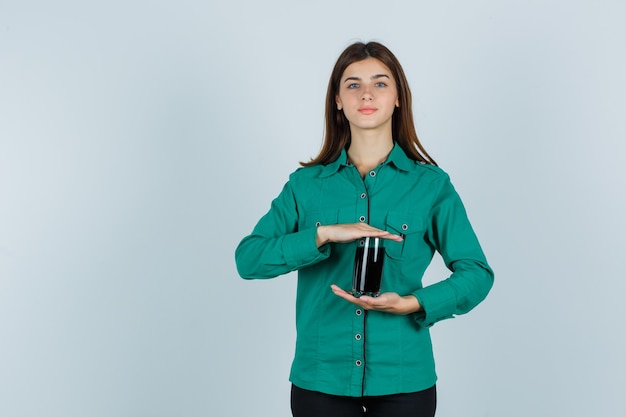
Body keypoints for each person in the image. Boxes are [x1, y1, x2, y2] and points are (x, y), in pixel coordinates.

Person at [235, 41, 494, 417]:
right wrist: (322, 235)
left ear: (398, 98)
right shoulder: (305, 186)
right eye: (353, 84)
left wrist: (413, 303)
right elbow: (248, 259)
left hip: (404, 379)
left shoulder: (431, 186)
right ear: (338, 100)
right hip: (320, 378)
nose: (367, 93)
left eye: (380, 83)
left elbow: (477, 272)